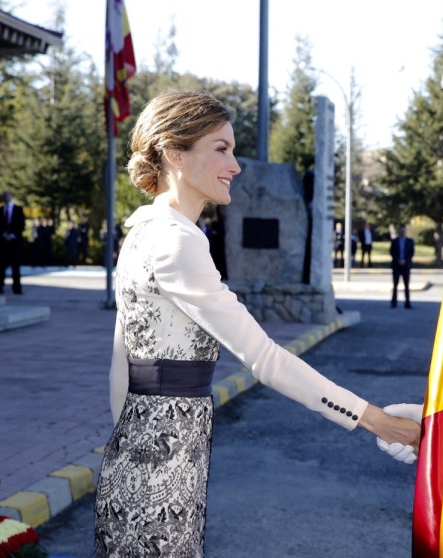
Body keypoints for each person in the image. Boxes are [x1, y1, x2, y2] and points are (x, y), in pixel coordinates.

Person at [93, 90, 420, 557]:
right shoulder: (177, 243)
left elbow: (119, 365)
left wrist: (130, 452)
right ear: (175, 154)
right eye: (220, 149)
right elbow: (266, 359)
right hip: (162, 469)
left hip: (143, 458)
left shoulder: (143, 229)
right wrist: (378, 422)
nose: (236, 164)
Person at [0, 190, 26, 294]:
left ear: (11, 196)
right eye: (4, 196)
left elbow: (21, 225)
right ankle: (0, 286)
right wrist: (3, 235)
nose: (6, 198)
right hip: (2, 243)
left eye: (7, 196)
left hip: (15, 243)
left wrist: (12, 235)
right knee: (1, 266)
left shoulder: (18, 210)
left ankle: (17, 288)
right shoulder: (0, 210)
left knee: (16, 267)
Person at [389, 224, 414, 309]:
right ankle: (394, 302)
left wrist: (405, 261)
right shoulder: (394, 241)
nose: (402, 232)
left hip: (406, 266)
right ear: (398, 231)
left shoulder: (410, 241)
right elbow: (392, 252)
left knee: (406, 285)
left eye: (403, 230)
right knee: (395, 285)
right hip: (396, 266)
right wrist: (398, 260)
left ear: (405, 231)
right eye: (400, 230)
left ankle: (407, 302)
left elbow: (411, 253)